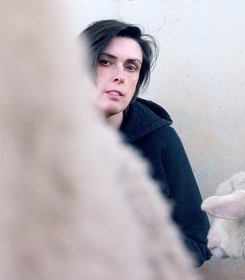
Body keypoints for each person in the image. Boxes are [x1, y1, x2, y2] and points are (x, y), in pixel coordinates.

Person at [79, 19, 212, 266]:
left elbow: (197, 242)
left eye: (131, 67)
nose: (120, 76)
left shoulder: (159, 140)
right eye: (105, 62)